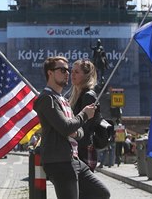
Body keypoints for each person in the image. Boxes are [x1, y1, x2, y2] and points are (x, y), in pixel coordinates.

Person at [33, 56, 110, 199]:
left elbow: (78, 130)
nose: (67, 73)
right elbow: (66, 127)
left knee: (101, 193)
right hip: (59, 160)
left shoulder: (62, 99)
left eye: (68, 70)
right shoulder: (47, 99)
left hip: (73, 159)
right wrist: (84, 115)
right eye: (62, 70)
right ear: (50, 73)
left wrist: (74, 129)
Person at [69, 59, 102, 171]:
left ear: (86, 75)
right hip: (77, 148)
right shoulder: (76, 95)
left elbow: (86, 127)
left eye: (77, 72)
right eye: (72, 71)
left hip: (83, 149)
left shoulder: (88, 96)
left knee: (83, 187)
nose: (72, 74)